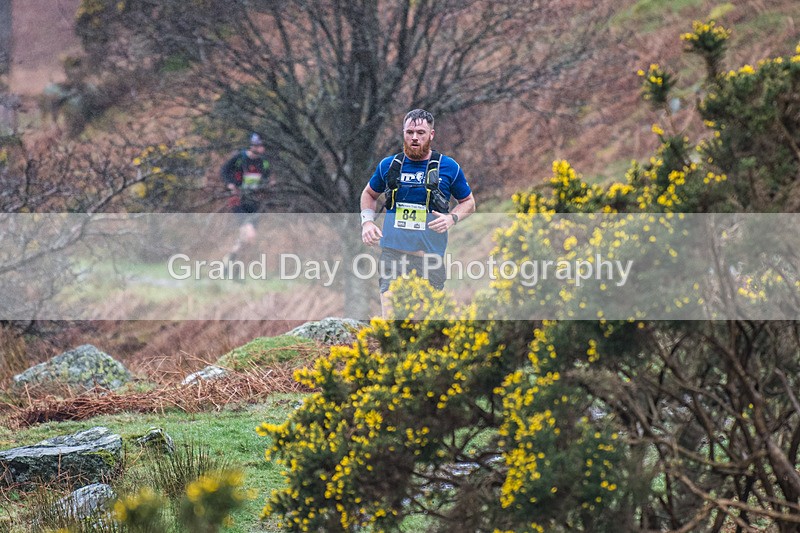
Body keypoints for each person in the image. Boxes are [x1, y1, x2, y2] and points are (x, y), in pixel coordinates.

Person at [360, 109, 476, 316]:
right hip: (392, 255)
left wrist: (452, 218)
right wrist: (367, 222)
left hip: (429, 259)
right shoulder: (389, 166)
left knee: (424, 327)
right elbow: (369, 194)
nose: (414, 137)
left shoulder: (448, 167)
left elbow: (468, 202)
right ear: (403, 133)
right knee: (392, 322)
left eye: (421, 132)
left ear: (431, 135)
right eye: (410, 132)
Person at [220, 133, 272, 273]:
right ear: (253, 146)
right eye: (261, 146)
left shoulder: (264, 162)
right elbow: (224, 171)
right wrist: (230, 184)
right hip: (238, 201)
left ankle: (229, 264)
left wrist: (266, 186)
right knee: (249, 234)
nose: (263, 149)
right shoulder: (239, 158)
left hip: (254, 203)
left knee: (246, 240)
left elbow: (266, 179)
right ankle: (232, 268)